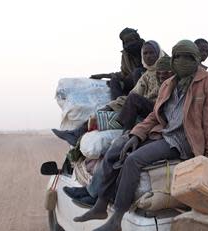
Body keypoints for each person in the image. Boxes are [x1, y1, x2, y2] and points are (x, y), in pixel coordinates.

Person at [73, 40, 208, 231]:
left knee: (134, 160)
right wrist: (137, 134)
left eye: (188, 58)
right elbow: (154, 116)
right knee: (121, 148)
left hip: (184, 140)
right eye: (178, 57)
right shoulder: (169, 84)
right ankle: (101, 205)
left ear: (197, 59)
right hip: (164, 132)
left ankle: (116, 219)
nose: (182, 62)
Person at [63, 56, 175, 207]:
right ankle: (93, 193)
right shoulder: (157, 82)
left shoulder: (177, 87)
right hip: (149, 127)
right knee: (115, 152)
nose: (162, 75)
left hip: (165, 134)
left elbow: (163, 116)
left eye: (166, 72)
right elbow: (152, 113)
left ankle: (99, 196)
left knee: (122, 155)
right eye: (159, 73)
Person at [52, 40, 164, 146]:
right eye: (145, 53)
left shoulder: (164, 71)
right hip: (145, 110)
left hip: (159, 110)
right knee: (104, 114)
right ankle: (77, 133)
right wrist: (109, 107)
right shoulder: (146, 75)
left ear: (158, 53)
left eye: (151, 53)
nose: (148, 56)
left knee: (132, 101)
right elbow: (132, 94)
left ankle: (126, 133)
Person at [90, 27, 145, 100]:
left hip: (149, 81)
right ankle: (117, 104)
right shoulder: (125, 54)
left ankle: (138, 102)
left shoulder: (149, 48)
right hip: (134, 83)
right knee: (114, 81)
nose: (131, 43)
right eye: (127, 41)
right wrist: (104, 75)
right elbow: (124, 73)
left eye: (132, 39)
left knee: (137, 72)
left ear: (137, 38)